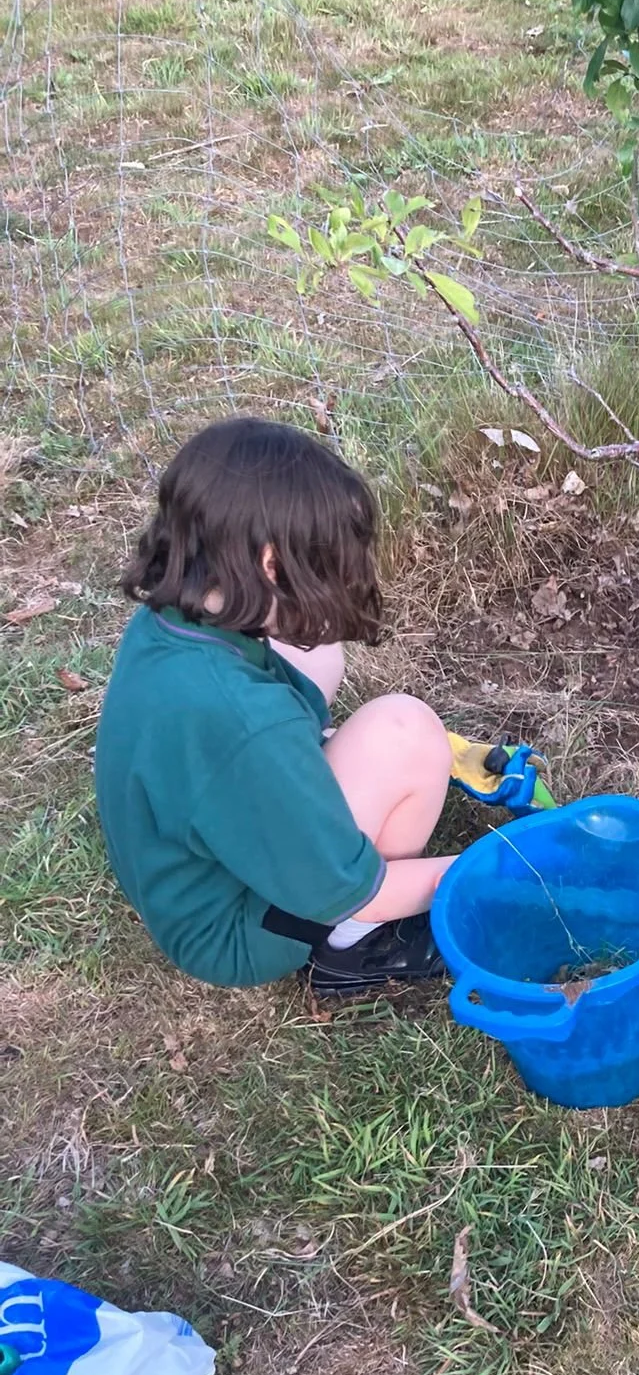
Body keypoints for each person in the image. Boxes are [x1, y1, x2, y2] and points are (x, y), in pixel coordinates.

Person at [94, 417, 457, 995]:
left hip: (174, 871)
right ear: (269, 564)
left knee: (315, 651)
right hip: (231, 930)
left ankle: (312, 799)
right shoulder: (247, 723)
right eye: (324, 563)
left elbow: (246, 724)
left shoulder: (172, 618)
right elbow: (343, 885)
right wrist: (491, 872)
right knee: (408, 730)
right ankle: (352, 944)